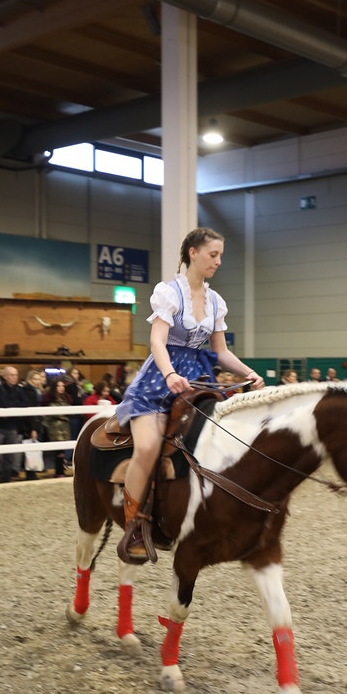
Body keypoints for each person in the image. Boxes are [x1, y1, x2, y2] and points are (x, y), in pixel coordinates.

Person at [114, 227, 264, 562]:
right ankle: (134, 524)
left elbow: (221, 352)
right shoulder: (168, 293)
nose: (218, 261)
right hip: (160, 377)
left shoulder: (216, 301)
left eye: (221, 255)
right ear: (193, 253)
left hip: (199, 379)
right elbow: (157, 341)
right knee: (149, 446)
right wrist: (169, 374)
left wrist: (249, 372)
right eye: (213, 255)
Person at [0, 365, 37, 483]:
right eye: (11, 375)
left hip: (13, 426)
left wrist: (9, 408)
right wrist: (11, 407)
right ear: (5, 376)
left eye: (16, 375)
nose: (14, 377)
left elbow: (24, 404)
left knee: (10, 454)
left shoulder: (20, 390)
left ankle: (6, 478)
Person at [44, 377, 73, 477]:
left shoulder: (66, 398)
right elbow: (52, 413)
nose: (61, 388)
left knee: (63, 450)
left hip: (65, 427)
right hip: (54, 427)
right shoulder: (49, 398)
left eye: (62, 386)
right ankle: (59, 471)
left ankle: (60, 471)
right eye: (58, 386)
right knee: (59, 451)